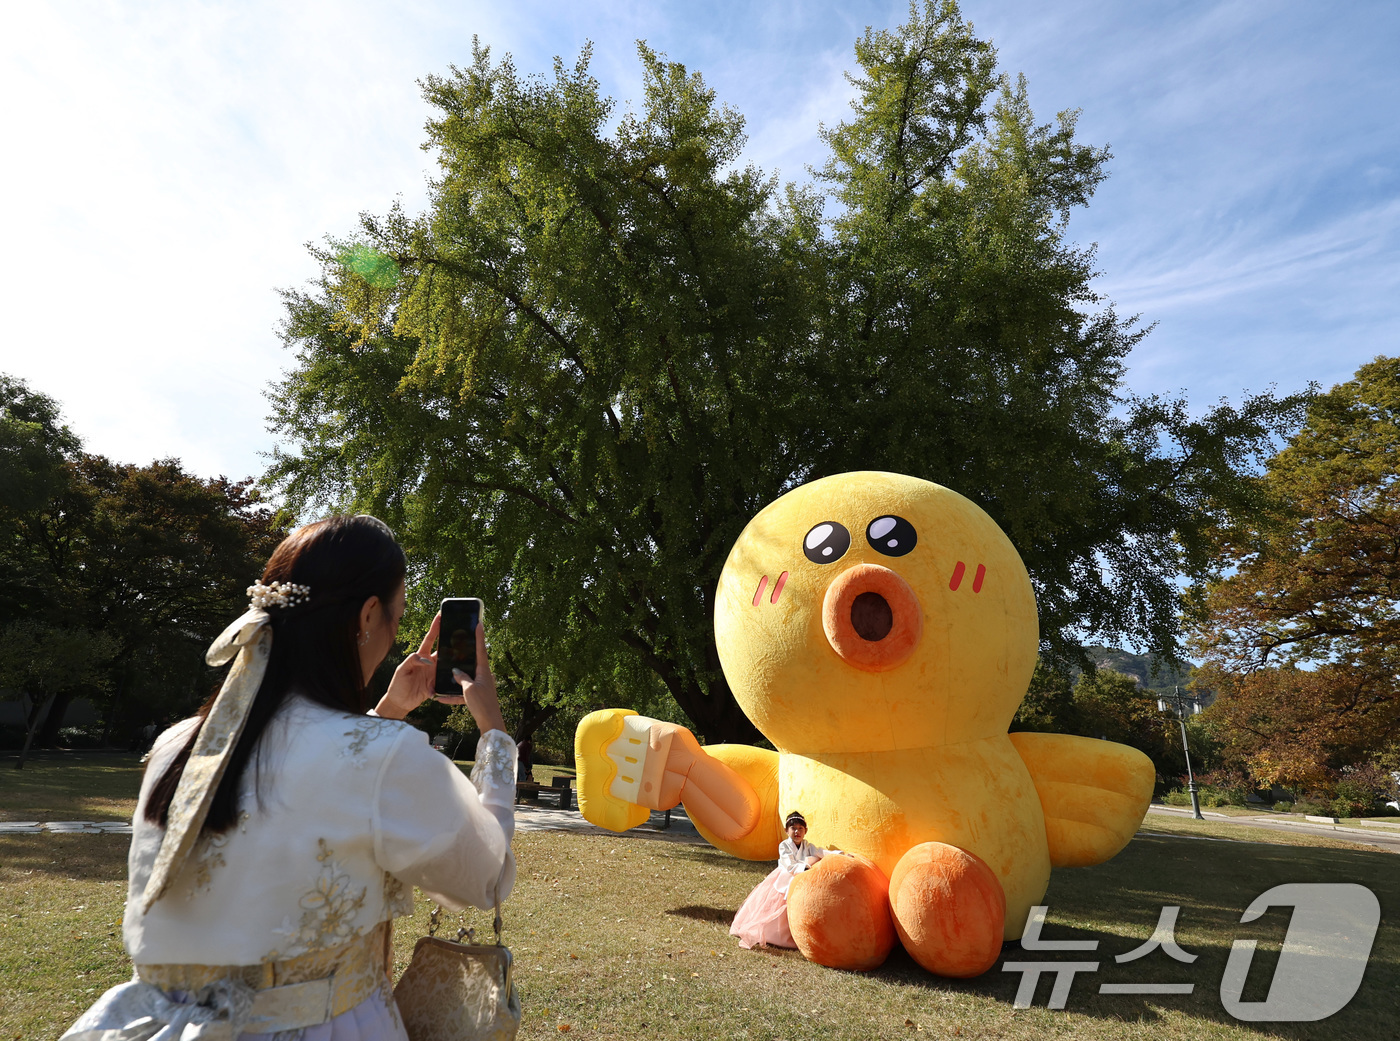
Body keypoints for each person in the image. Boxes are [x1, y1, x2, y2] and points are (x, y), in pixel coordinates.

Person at [63, 514, 517, 1041]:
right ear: (369, 615)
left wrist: (387, 712)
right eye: (396, 617)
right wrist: (494, 735)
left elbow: (312, 783)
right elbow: (486, 877)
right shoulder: (386, 758)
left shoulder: (179, 744)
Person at [729, 811, 834, 950]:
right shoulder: (784, 846)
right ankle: (773, 934)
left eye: (800, 829)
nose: (797, 832)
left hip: (801, 877)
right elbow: (789, 864)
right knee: (778, 906)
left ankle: (794, 933)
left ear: (805, 831)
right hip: (785, 877)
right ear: (786, 830)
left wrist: (838, 855)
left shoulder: (808, 846)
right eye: (793, 828)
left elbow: (821, 852)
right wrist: (805, 866)